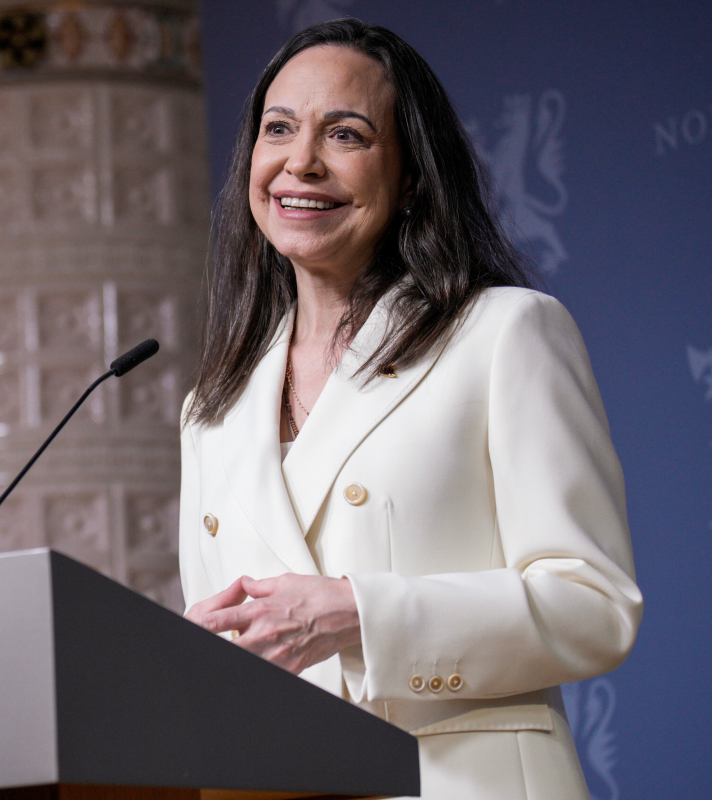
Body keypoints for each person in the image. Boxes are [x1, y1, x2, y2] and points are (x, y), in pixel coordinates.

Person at [178, 19, 642, 800]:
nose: (300, 162)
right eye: (279, 129)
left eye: (346, 134)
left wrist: (361, 612)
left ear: (413, 177)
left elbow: (594, 605)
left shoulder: (505, 333)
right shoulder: (211, 410)